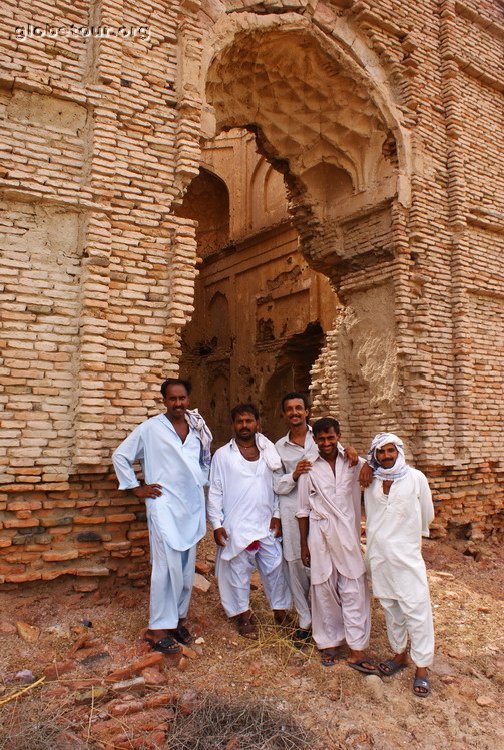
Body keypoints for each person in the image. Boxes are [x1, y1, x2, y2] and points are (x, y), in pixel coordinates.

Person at [112, 378, 212, 655]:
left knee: (184, 568)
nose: (178, 404)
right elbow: (121, 456)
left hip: (191, 507)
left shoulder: (197, 429)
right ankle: (156, 629)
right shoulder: (150, 429)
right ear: (164, 401)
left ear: (188, 398)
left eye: (182, 398)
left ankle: (177, 621)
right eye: (172, 399)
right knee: (164, 569)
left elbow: (204, 461)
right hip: (163, 507)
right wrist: (136, 488)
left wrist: (201, 483)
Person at [273, 393, 363, 644]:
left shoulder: (321, 436)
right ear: (283, 414)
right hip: (293, 510)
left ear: (307, 412)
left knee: (325, 565)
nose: (294, 413)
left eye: (299, 408)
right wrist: (294, 475)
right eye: (289, 409)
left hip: (325, 515)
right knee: (295, 562)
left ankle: (329, 617)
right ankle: (306, 619)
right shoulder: (277, 447)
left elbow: (347, 458)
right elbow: (275, 485)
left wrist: (355, 451)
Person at [296, 417, 379, 673]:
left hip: (348, 537)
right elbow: (302, 511)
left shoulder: (354, 463)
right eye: (321, 439)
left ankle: (356, 649)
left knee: (354, 588)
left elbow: (385, 464)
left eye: (331, 437)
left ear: (339, 436)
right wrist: (304, 546)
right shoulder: (308, 467)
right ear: (315, 440)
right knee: (323, 589)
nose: (326, 443)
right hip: (319, 536)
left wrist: (369, 464)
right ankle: (329, 642)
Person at [207, 403, 292, 639]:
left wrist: (276, 514)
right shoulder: (223, 455)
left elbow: (277, 486)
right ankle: (243, 616)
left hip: (266, 523)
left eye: (249, 421)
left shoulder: (270, 453)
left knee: (276, 569)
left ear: (258, 423)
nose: (244, 425)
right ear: (233, 424)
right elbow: (215, 491)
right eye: (240, 421)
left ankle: (280, 612)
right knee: (237, 572)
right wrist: (216, 524)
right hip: (237, 526)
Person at [364, 432, 435, 697]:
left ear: (399, 452)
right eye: (380, 452)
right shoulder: (370, 479)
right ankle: (399, 655)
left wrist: (408, 541)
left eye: (390, 451)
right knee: (391, 608)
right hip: (380, 558)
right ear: (375, 455)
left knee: (417, 610)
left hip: (406, 558)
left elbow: (427, 513)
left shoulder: (415, 478)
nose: (386, 456)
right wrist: (366, 465)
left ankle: (422, 667)